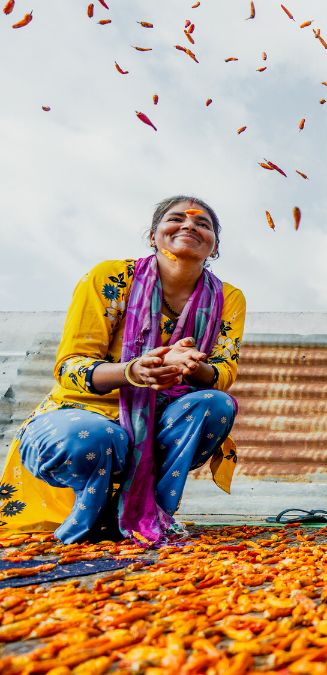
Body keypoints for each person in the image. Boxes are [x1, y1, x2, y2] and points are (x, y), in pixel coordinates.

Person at [0, 197, 244, 545]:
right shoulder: (111, 277)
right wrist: (134, 371)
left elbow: (223, 372)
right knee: (93, 435)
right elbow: (71, 367)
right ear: (153, 235)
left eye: (202, 224)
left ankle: (148, 514)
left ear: (214, 246)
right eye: (176, 219)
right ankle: (93, 515)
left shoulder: (228, 298)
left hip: (161, 420)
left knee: (215, 403)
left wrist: (191, 365)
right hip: (82, 414)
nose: (189, 225)